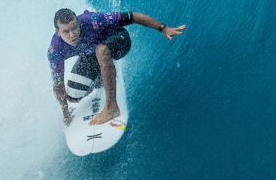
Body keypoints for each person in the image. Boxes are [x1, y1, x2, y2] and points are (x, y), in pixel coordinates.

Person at [48, 9, 186, 127]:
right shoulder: (55, 50)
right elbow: (58, 83)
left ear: (78, 23)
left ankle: (112, 107)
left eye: (74, 28)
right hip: (92, 53)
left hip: (119, 40)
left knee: (101, 50)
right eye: (66, 31)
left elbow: (133, 17)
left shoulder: (93, 21)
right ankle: (101, 78)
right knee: (73, 96)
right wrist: (65, 113)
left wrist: (163, 28)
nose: (72, 34)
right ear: (58, 32)